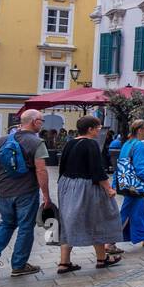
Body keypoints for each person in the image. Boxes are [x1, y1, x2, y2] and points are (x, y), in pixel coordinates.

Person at [0, 109, 52, 277]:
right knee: (25, 227)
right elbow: (41, 170)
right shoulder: (37, 143)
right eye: (41, 121)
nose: (42, 124)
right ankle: (19, 265)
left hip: (4, 191)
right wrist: (46, 195)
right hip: (26, 191)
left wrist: (0, 186)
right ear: (35, 121)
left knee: (6, 223)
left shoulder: (3, 140)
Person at [54, 116, 122, 273]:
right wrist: (109, 189)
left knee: (67, 221)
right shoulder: (91, 144)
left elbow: (62, 166)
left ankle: (64, 263)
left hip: (67, 185)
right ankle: (101, 259)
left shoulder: (70, 143)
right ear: (90, 129)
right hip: (86, 186)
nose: (99, 130)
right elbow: (97, 170)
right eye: (97, 127)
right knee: (98, 219)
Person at [115, 120, 144, 249]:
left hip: (127, 184)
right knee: (126, 213)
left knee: (139, 212)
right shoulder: (139, 145)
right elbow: (140, 167)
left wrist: (115, 183)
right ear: (140, 130)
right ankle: (110, 243)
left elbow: (119, 165)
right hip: (136, 186)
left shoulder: (127, 144)